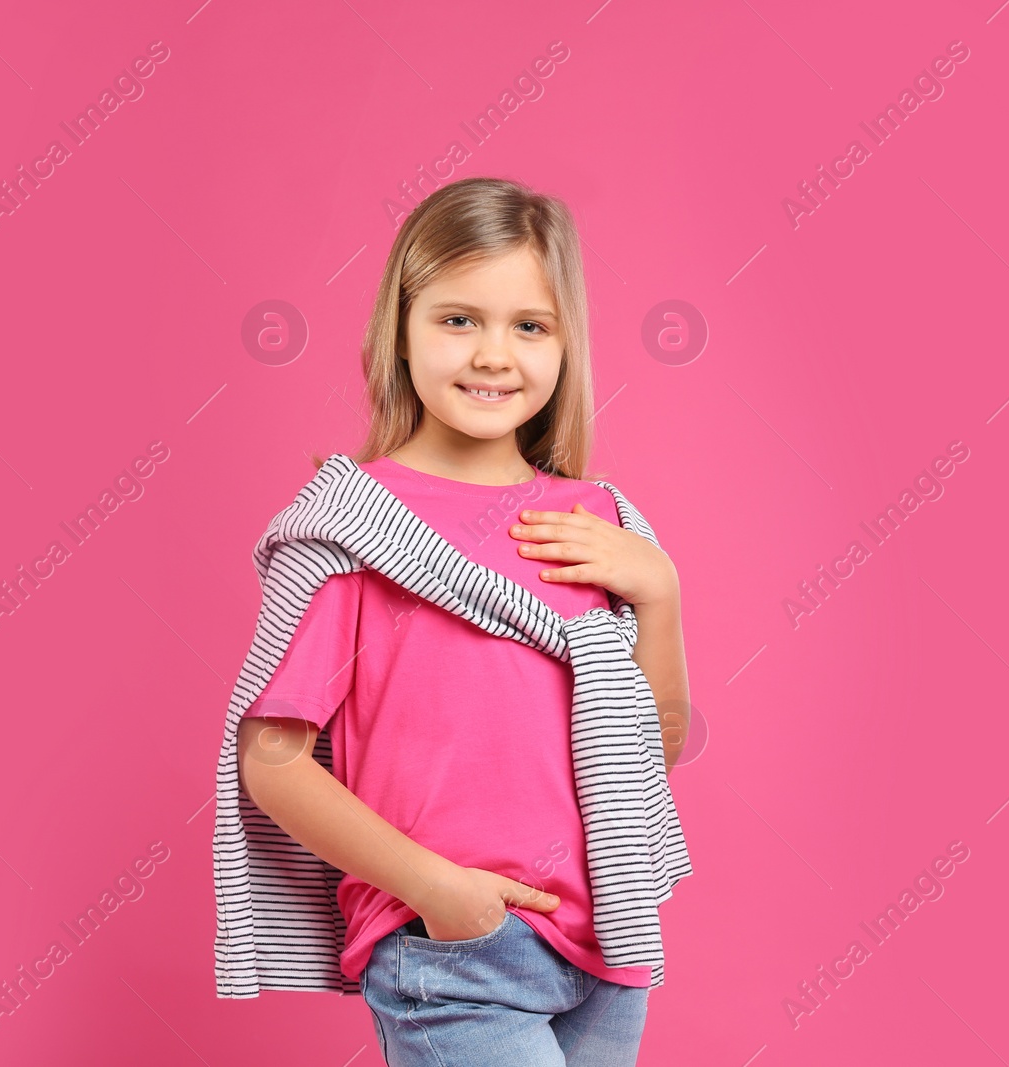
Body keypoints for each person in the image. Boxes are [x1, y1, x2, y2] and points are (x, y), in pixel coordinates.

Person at [218, 176, 694, 1065]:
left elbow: (648, 750)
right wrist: (439, 890)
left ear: (565, 346)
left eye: (530, 325)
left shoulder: (602, 524)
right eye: (458, 319)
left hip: (605, 947)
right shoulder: (356, 524)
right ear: (400, 328)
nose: (494, 355)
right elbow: (272, 760)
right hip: (456, 945)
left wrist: (659, 592)